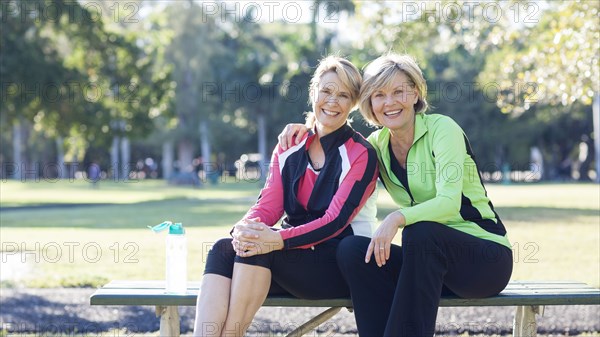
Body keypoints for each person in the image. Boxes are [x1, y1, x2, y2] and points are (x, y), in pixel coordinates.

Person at [278, 53, 513, 337]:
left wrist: (397, 218)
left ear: (415, 93)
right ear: (369, 104)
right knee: (354, 251)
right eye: (379, 95)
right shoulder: (376, 146)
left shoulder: (443, 129)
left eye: (399, 91)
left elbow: (449, 203)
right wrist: (308, 131)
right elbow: (341, 144)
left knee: (420, 232)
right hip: (427, 263)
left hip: (483, 261)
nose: (389, 102)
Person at [192, 55, 379, 337]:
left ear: (353, 103)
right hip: (289, 255)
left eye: (344, 95)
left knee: (258, 249)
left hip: (335, 264)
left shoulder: (361, 154)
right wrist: (244, 229)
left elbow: (335, 222)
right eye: (327, 91)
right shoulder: (291, 144)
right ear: (313, 92)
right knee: (224, 248)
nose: (333, 101)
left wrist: (275, 240)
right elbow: (269, 204)